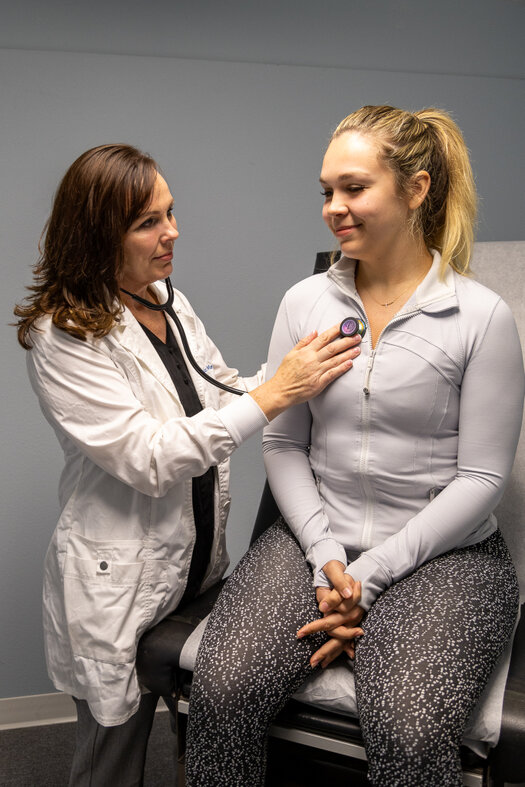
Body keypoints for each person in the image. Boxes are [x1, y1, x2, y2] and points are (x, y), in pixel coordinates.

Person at [186, 106, 525, 786]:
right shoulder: (303, 303)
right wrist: (326, 560)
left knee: (404, 719)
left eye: (353, 188)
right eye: (325, 191)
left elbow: (483, 475)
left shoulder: (479, 317)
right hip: (318, 540)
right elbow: (282, 442)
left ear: (416, 189)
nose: (332, 208)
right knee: (220, 691)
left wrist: (365, 582)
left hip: (448, 553)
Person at [13, 143, 362, 786]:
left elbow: (221, 391)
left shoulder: (164, 295)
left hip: (194, 562)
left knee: (191, 730)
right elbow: (148, 457)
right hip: (117, 579)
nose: (172, 232)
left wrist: (304, 368)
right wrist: (276, 391)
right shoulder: (61, 334)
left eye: (171, 212)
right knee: (111, 762)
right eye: (148, 222)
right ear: (96, 236)